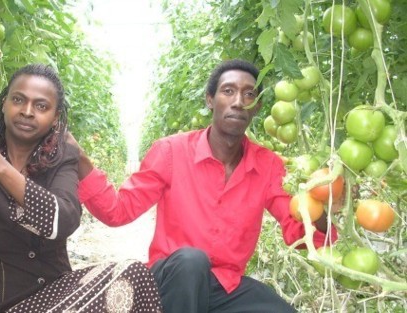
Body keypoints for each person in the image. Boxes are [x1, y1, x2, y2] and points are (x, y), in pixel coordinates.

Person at [71, 59, 338, 313]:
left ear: (256, 107)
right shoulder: (171, 152)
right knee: (191, 262)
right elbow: (119, 211)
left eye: (248, 95)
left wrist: (323, 204)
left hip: (223, 285)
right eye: (228, 91)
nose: (237, 102)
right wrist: (82, 162)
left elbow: (298, 228)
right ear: (210, 100)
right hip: (170, 279)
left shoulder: (267, 166)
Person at [0, 64, 162, 312]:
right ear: (4, 104)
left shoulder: (61, 156)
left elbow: (62, 220)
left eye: (41, 106)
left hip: (52, 299)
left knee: (133, 274)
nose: (27, 111)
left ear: (55, 117)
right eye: (18, 100)